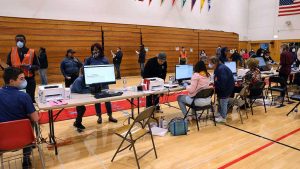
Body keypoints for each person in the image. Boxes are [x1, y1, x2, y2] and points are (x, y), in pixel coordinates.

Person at [0, 67, 39, 169]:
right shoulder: (24, 96)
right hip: (23, 139)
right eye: (21, 79)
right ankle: (26, 159)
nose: (24, 81)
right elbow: (35, 118)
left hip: (2, 140)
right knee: (32, 121)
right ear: (12, 81)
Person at [83, 43, 118, 125]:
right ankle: (99, 116)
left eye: (96, 49)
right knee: (97, 101)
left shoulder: (104, 59)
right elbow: (85, 70)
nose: (95, 51)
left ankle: (110, 116)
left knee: (107, 100)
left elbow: (108, 70)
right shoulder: (89, 59)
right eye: (93, 49)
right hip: (94, 84)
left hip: (104, 83)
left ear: (100, 50)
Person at [6, 34, 40, 103]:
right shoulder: (12, 51)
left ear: (25, 41)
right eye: (17, 40)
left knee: (30, 99)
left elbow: (37, 66)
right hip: (16, 80)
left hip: (29, 80)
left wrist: (30, 67)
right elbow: (8, 65)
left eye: (21, 40)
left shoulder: (31, 52)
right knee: (17, 100)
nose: (19, 42)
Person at [208, 56, 234, 123]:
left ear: (215, 62)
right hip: (222, 88)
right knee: (219, 101)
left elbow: (223, 82)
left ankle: (223, 117)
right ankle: (220, 114)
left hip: (225, 88)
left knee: (223, 102)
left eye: (210, 63)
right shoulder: (219, 67)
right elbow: (217, 78)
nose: (209, 65)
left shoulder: (222, 69)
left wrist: (215, 83)